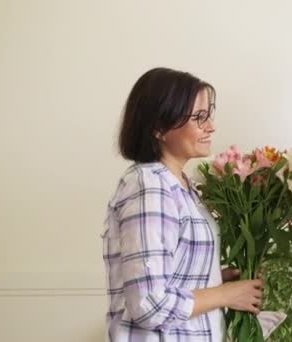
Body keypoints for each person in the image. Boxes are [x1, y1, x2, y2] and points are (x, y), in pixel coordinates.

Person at [102, 67, 263, 341]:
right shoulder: (148, 187)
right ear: (158, 127)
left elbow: (169, 277)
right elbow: (149, 304)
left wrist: (215, 279)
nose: (210, 126)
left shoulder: (181, 186)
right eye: (199, 117)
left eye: (209, 115)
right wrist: (225, 295)